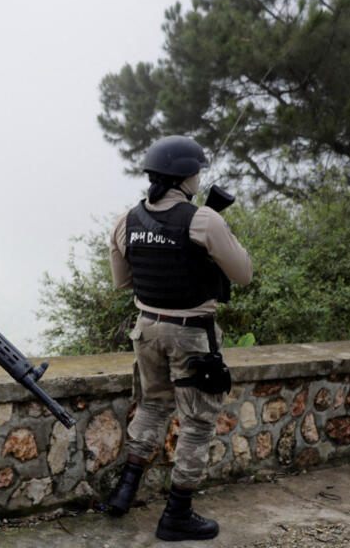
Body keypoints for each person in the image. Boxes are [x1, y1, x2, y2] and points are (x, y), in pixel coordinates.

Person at [105, 135, 252, 542]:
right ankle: (177, 515)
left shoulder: (126, 219)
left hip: (146, 327)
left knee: (152, 406)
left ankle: (124, 492)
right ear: (187, 177)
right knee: (198, 423)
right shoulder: (204, 219)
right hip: (191, 334)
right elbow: (243, 274)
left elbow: (122, 281)